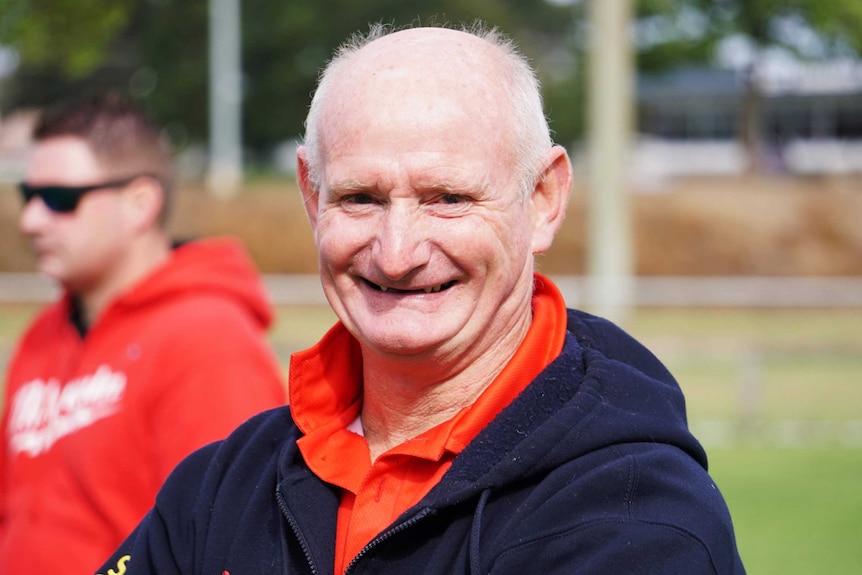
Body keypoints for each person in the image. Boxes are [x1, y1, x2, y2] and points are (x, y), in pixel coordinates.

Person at [99, 24, 745, 574]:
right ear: (310, 195)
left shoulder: (638, 523)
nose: (397, 251)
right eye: (360, 198)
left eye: (448, 198)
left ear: (544, 199)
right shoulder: (220, 488)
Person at [0, 93, 287, 575]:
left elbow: (230, 543)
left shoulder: (209, 341)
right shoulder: (42, 334)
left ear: (140, 203)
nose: (31, 220)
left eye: (59, 199)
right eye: (28, 196)